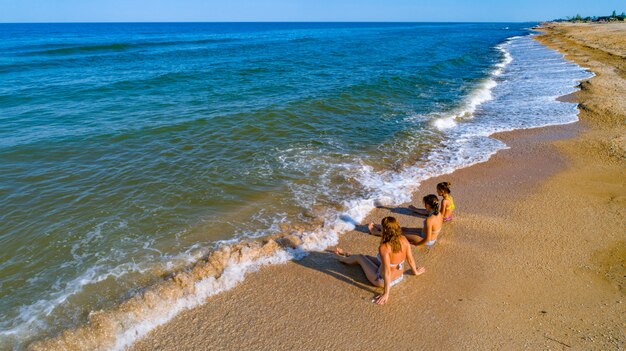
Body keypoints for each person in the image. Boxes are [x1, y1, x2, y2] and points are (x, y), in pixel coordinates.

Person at [330, 216, 424, 305]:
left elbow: (387, 272)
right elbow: (410, 259)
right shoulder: (403, 239)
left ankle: (339, 258)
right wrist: (415, 271)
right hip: (399, 276)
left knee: (360, 257)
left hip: (381, 280)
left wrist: (386, 293)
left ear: (385, 231)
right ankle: (347, 254)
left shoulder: (384, 247)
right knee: (365, 257)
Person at [371, 194, 443, 246]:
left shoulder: (429, 220)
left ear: (427, 205)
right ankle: (383, 227)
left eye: (425, 204)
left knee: (398, 234)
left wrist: (417, 244)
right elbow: (424, 211)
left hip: (426, 240)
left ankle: (378, 233)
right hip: (424, 233)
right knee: (403, 229)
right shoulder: (438, 213)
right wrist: (415, 209)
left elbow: (428, 238)